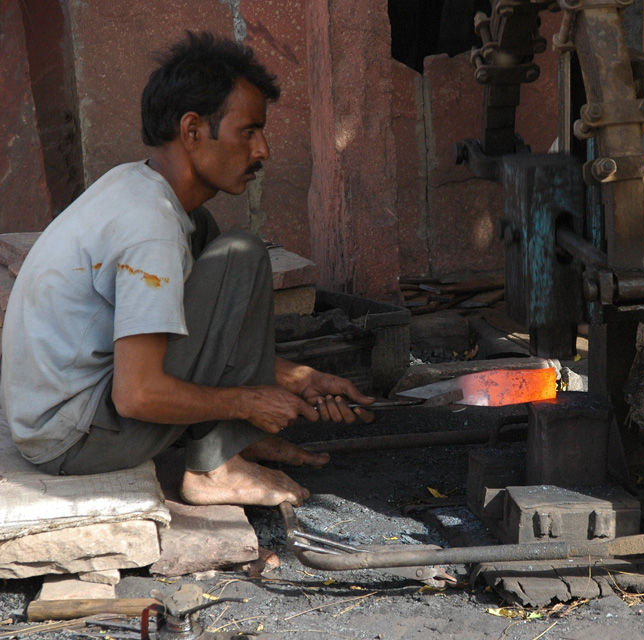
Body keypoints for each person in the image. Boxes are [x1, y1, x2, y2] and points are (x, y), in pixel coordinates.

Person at [0, 32, 374, 507]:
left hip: (60, 418)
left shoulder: (141, 187)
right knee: (240, 254)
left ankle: (233, 442)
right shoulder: (150, 227)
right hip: (74, 442)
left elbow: (202, 341)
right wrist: (248, 402)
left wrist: (295, 378)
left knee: (211, 235)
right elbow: (137, 395)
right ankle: (213, 468)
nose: (263, 151)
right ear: (193, 129)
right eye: (249, 131)